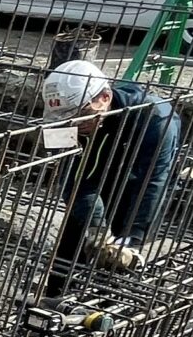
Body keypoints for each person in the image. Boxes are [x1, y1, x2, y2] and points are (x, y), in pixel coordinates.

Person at [41, 57, 180, 286]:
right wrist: (97, 227)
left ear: (105, 98)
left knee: (116, 265)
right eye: (66, 119)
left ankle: (103, 305)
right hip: (92, 181)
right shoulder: (71, 124)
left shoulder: (155, 119)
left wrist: (132, 241)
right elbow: (72, 180)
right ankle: (53, 300)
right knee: (69, 248)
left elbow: (154, 182)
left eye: (79, 115)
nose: (73, 125)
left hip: (135, 184)